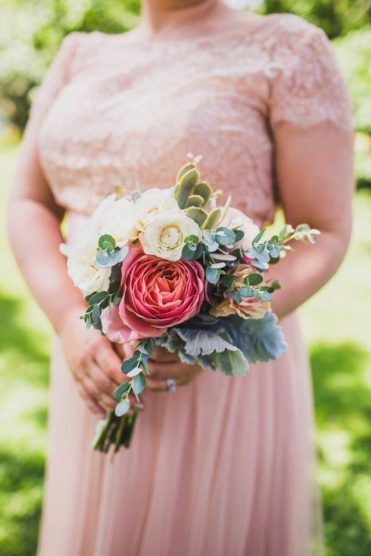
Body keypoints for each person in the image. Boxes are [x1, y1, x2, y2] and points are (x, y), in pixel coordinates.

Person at [7, 0, 354, 554]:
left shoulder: (288, 49)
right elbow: (27, 199)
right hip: (95, 361)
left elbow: (326, 229)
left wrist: (213, 325)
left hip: (216, 366)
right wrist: (72, 324)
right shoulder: (79, 54)